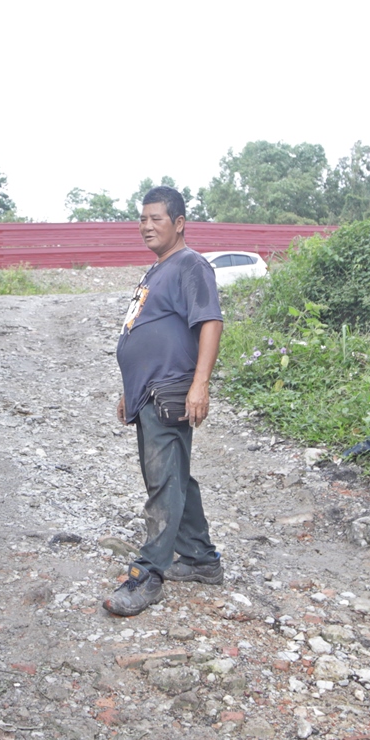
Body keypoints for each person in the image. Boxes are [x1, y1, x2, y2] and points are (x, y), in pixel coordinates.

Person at [107, 185, 225, 616]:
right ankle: (200, 559)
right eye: (142, 219)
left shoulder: (190, 265)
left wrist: (201, 384)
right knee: (175, 475)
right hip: (147, 390)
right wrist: (129, 386)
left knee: (163, 481)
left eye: (157, 218)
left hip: (170, 389)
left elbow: (210, 322)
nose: (147, 226)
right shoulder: (157, 269)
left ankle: (148, 574)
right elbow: (146, 331)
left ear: (178, 223)